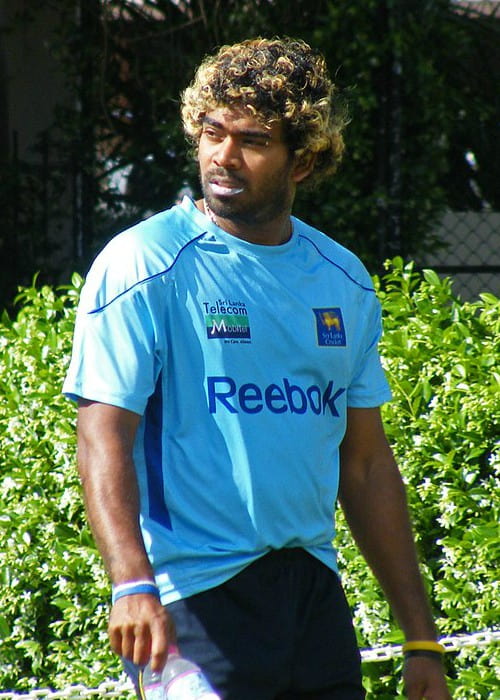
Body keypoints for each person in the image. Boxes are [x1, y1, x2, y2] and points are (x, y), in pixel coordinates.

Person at [63, 37, 451, 699]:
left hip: (312, 598)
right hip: (191, 601)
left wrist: (420, 638)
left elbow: (364, 464)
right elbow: (103, 438)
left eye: (253, 139)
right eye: (212, 132)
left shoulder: (344, 283)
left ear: (302, 161)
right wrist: (131, 584)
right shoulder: (145, 264)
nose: (223, 155)